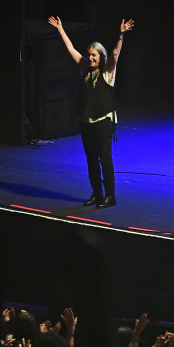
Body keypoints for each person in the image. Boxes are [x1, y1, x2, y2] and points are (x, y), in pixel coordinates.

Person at [48, 16, 133, 208]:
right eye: (90, 54)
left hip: (103, 120)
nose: (91, 57)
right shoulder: (85, 68)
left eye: (94, 55)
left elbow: (116, 54)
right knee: (91, 160)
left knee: (105, 158)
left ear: (101, 56)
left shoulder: (108, 71)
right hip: (87, 121)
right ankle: (97, 193)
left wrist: (121, 34)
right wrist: (61, 30)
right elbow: (71, 50)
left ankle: (110, 196)